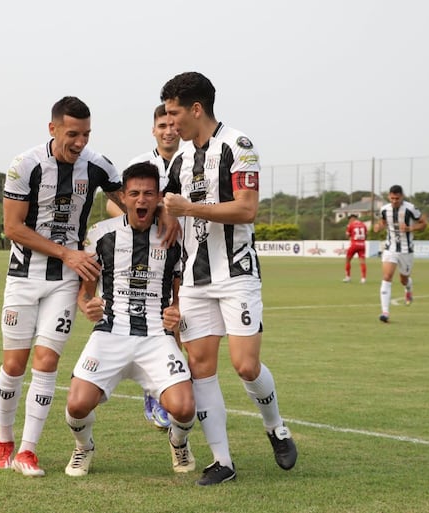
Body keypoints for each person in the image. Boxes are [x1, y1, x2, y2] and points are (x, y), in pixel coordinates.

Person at [160, 71, 297, 486]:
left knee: (245, 365)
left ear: (196, 109)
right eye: (164, 118)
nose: (170, 125)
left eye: (174, 114)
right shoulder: (180, 160)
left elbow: (247, 209)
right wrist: (169, 221)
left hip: (236, 273)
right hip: (195, 281)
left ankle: (275, 427)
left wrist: (188, 210)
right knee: (201, 368)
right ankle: (222, 461)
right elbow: (172, 207)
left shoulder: (239, 146)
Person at [0, 96, 125, 477]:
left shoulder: (99, 166)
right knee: (14, 365)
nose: (80, 141)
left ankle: (29, 451)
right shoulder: (24, 165)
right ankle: (4, 440)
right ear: (52, 129)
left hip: (66, 280)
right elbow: (13, 228)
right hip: (23, 275)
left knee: (47, 361)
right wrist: (67, 252)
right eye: (72, 134)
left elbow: (128, 205)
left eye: (86, 134)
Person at [64, 162, 196, 477]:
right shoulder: (101, 234)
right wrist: (87, 305)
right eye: (134, 193)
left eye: (148, 193)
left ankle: (178, 442)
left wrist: (176, 311)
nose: (141, 200)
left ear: (159, 197)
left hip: (155, 336)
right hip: (110, 332)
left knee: (184, 408)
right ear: (123, 196)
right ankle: (83, 447)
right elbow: (84, 294)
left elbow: (180, 292)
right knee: (77, 405)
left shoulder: (173, 236)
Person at [107, 103, 181, 430]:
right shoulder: (143, 164)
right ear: (153, 130)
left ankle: (178, 391)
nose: (169, 130)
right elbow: (114, 202)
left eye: (173, 123)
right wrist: (144, 228)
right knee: (164, 322)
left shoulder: (194, 160)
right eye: (162, 125)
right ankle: (156, 391)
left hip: (190, 252)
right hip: (152, 256)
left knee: (185, 326)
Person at [373, 184, 427, 323]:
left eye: (397, 198)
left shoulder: (410, 208)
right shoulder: (385, 209)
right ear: (388, 196)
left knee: (403, 279)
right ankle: (385, 312)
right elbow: (383, 221)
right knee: (386, 276)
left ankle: (408, 288)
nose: (394, 201)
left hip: (406, 250)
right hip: (390, 248)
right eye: (392, 198)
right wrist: (379, 226)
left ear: (402, 196)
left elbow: (424, 224)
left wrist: (410, 228)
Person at [343, 214, 368, 283]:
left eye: (350, 219)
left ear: (352, 219)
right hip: (362, 245)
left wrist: (349, 232)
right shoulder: (363, 225)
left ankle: (348, 277)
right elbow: (366, 235)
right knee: (362, 262)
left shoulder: (351, 225)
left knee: (347, 260)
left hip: (354, 244)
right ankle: (363, 279)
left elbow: (347, 235)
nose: (349, 221)